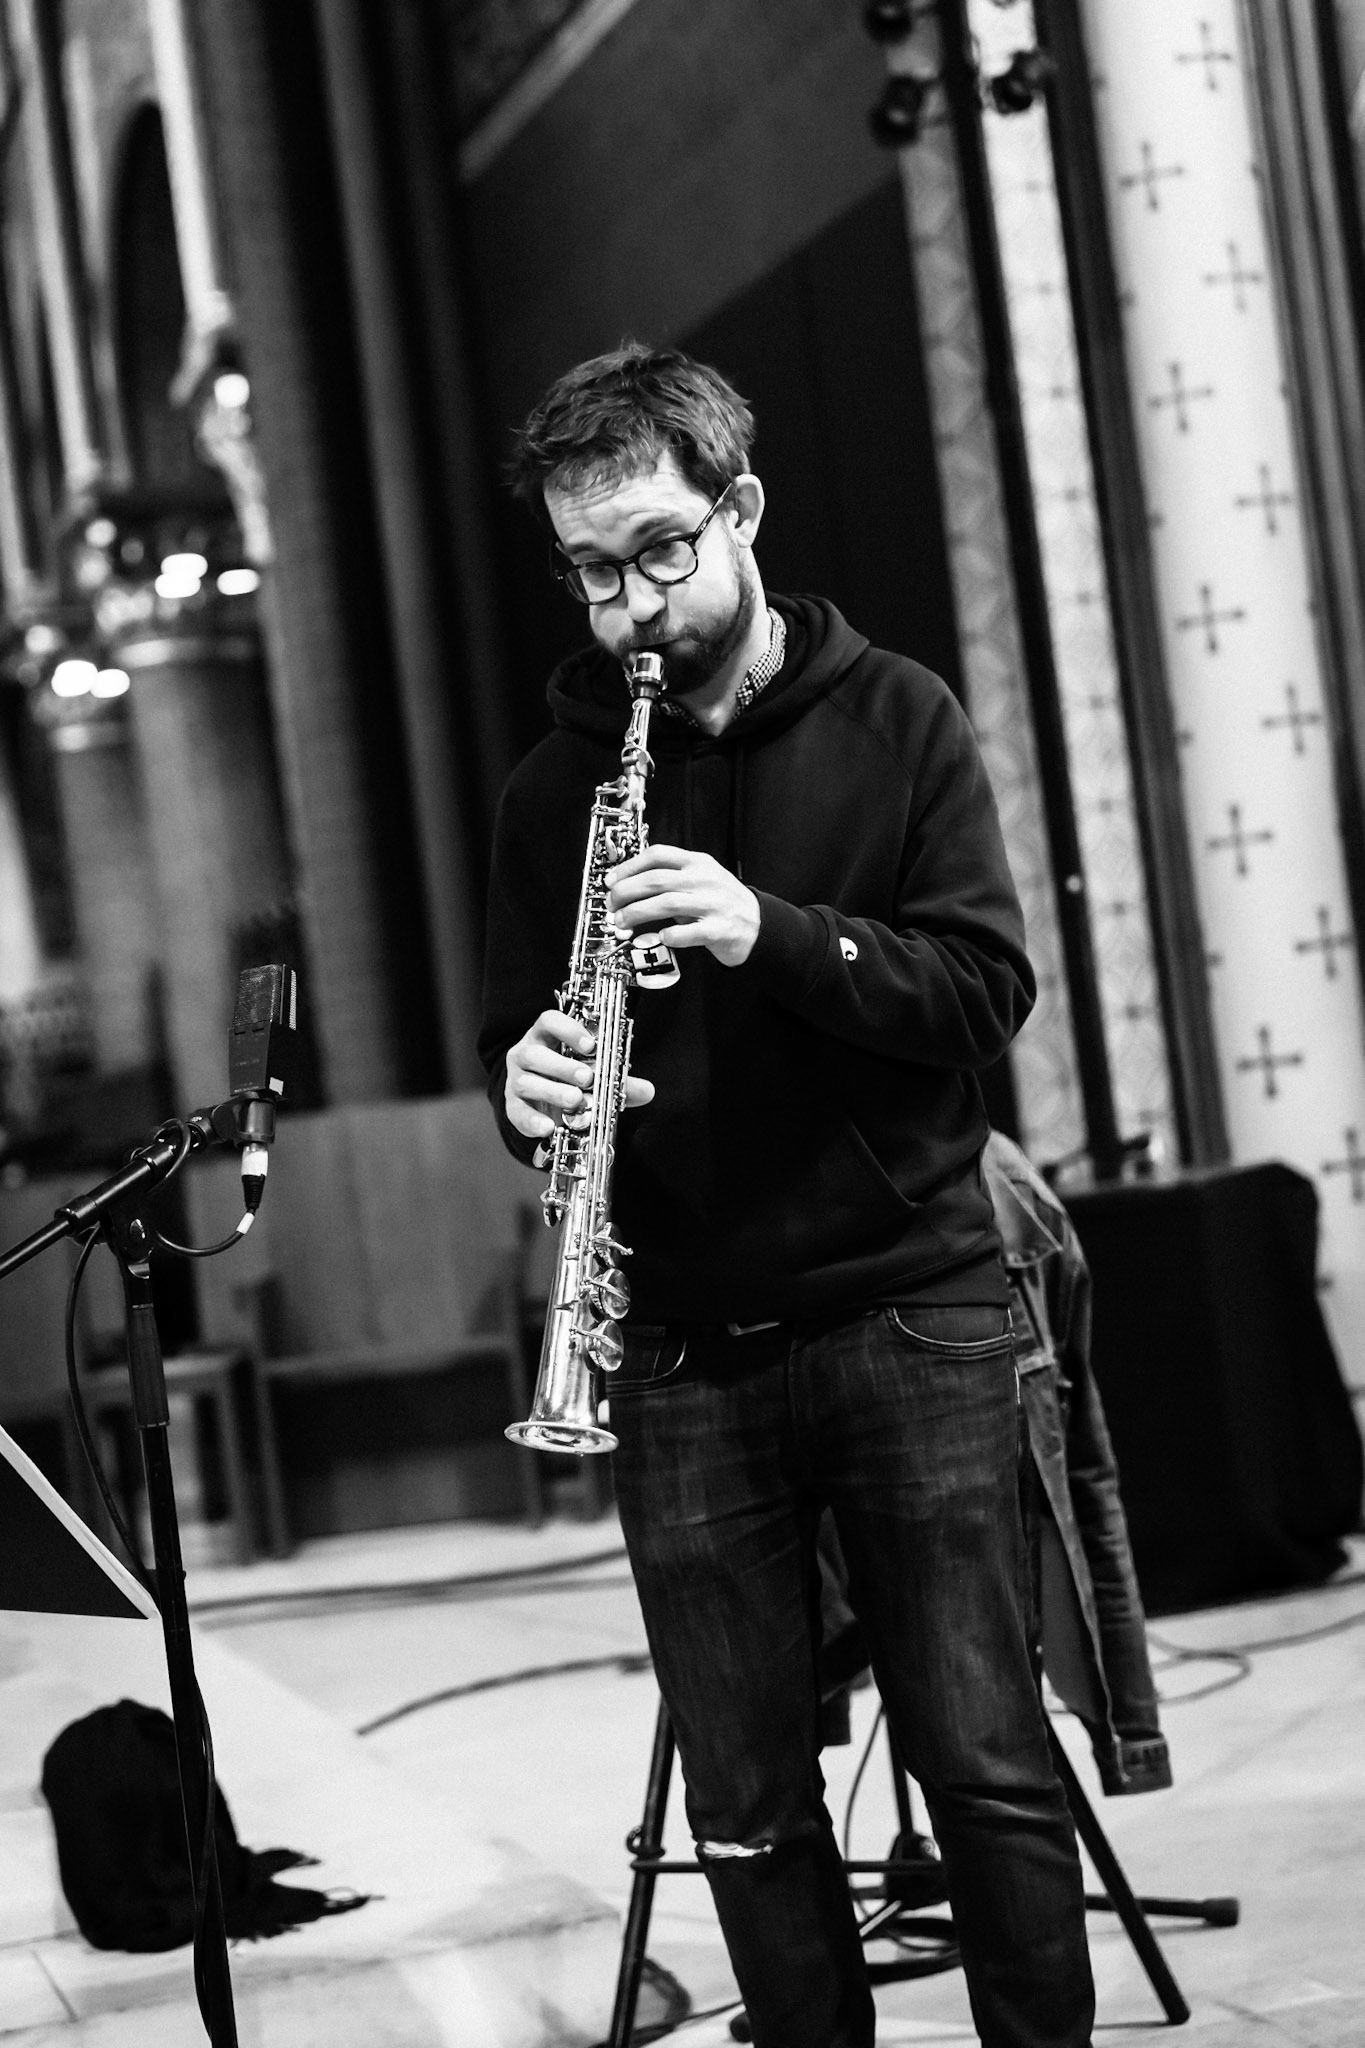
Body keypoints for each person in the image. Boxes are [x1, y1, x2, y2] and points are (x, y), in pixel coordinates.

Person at [479, 344, 1095, 2048]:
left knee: (979, 1759)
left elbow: (980, 991)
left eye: (662, 550)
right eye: (593, 572)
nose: (628, 612)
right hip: (680, 1349)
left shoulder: (897, 716)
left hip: (910, 1305)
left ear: (741, 509)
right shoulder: (559, 789)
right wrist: (525, 1089)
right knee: (744, 1799)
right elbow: (508, 1037)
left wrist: (772, 932)